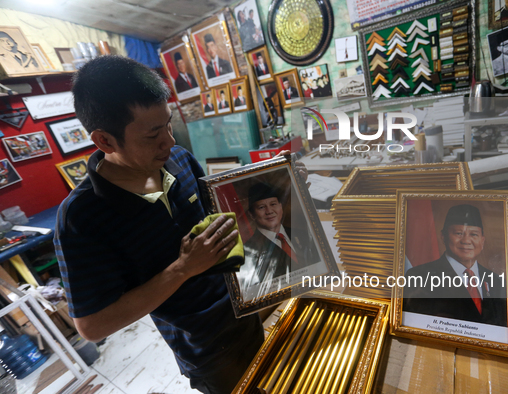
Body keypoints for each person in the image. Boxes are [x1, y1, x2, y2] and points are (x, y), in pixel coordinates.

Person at [54, 56, 264, 394]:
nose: (168, 140)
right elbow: (92, 326)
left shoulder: (179, 159)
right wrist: (181, 269)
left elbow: (220, 224)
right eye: (152, 135)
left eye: (168, 125)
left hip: (248, 309)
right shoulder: (81, 217)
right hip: (207, 349)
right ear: (105, 141)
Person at [403, 204, 507, 327]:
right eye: (458, 233)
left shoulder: (497, 280)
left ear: (482, 241)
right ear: (443, 236)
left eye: (474, 234)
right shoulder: (419, 276)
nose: (466, 241)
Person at [239, 182, 319, 300]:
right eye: (261, 207)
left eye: (273, 204)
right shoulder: (248, 252)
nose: (269, 211)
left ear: (281, 207)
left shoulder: (303, 235)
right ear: (251, 214)